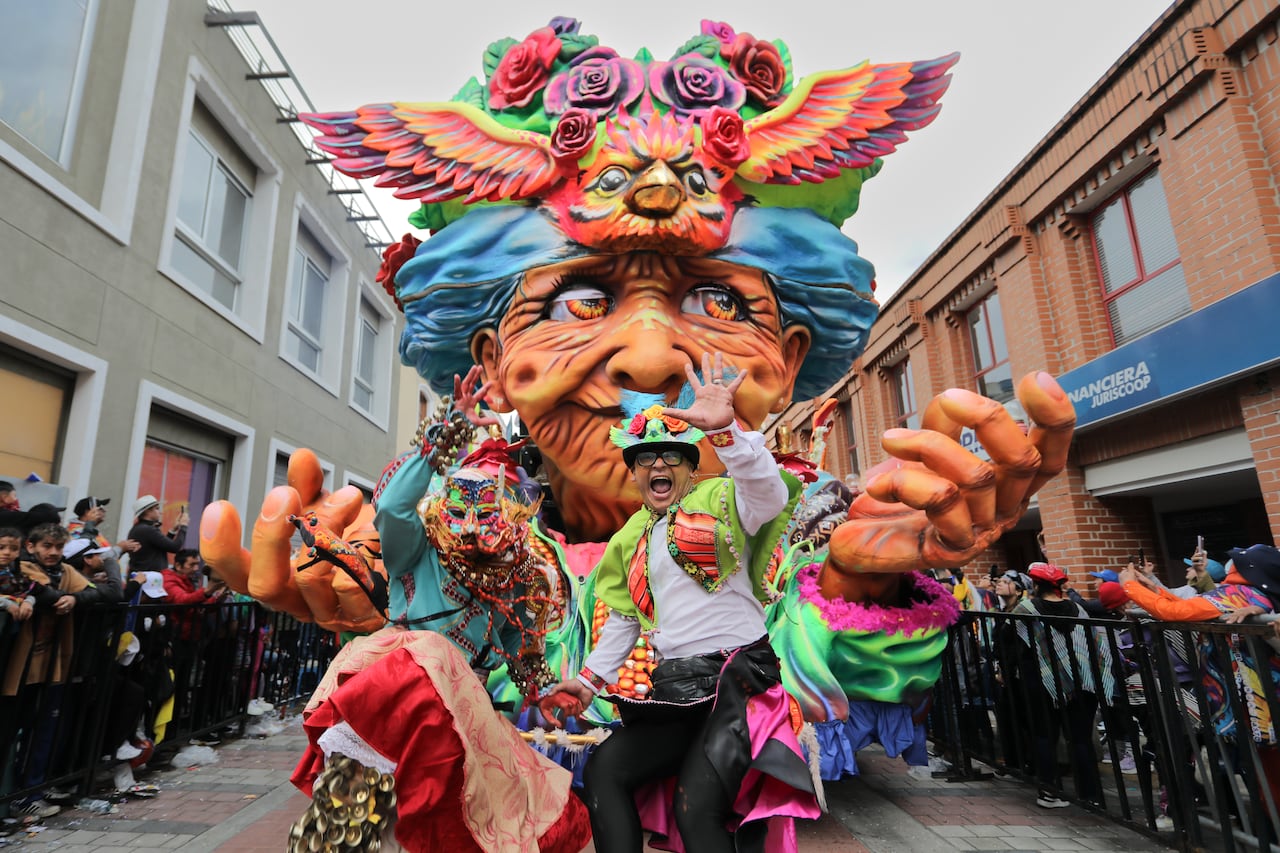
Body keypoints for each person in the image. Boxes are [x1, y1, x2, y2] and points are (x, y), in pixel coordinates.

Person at [544, 353, 819, 851]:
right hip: (676, 689)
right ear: (634, 473)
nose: (658, 465)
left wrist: (727, 433)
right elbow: (625, 619)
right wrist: (587, 683)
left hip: (738, 683)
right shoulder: (630, 537)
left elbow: (768, 495)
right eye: (645, 458)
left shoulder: (720, 500)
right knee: (605, 770)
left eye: (672, 456)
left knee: (696, 809)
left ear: (691, 467)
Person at [1013, 562, 1115, 808]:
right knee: (1080, 738)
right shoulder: (1078, 609)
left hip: (1041, 681)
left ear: (1035, 585)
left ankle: (1049, 791)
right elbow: (1093, 644)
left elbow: (1011, 642)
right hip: (1081, 680)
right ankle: (1091, 796)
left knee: (1044, 735)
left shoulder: (1025, 609)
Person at [127, 495, 187, 572]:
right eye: (157, 508)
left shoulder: (140, 528)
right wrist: (183, 526)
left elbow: (163, 545)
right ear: (147, 511)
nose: (160, 512)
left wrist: (173, 530)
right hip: (148, 577)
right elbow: (175, 547)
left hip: (143, 576)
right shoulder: (147, 530)